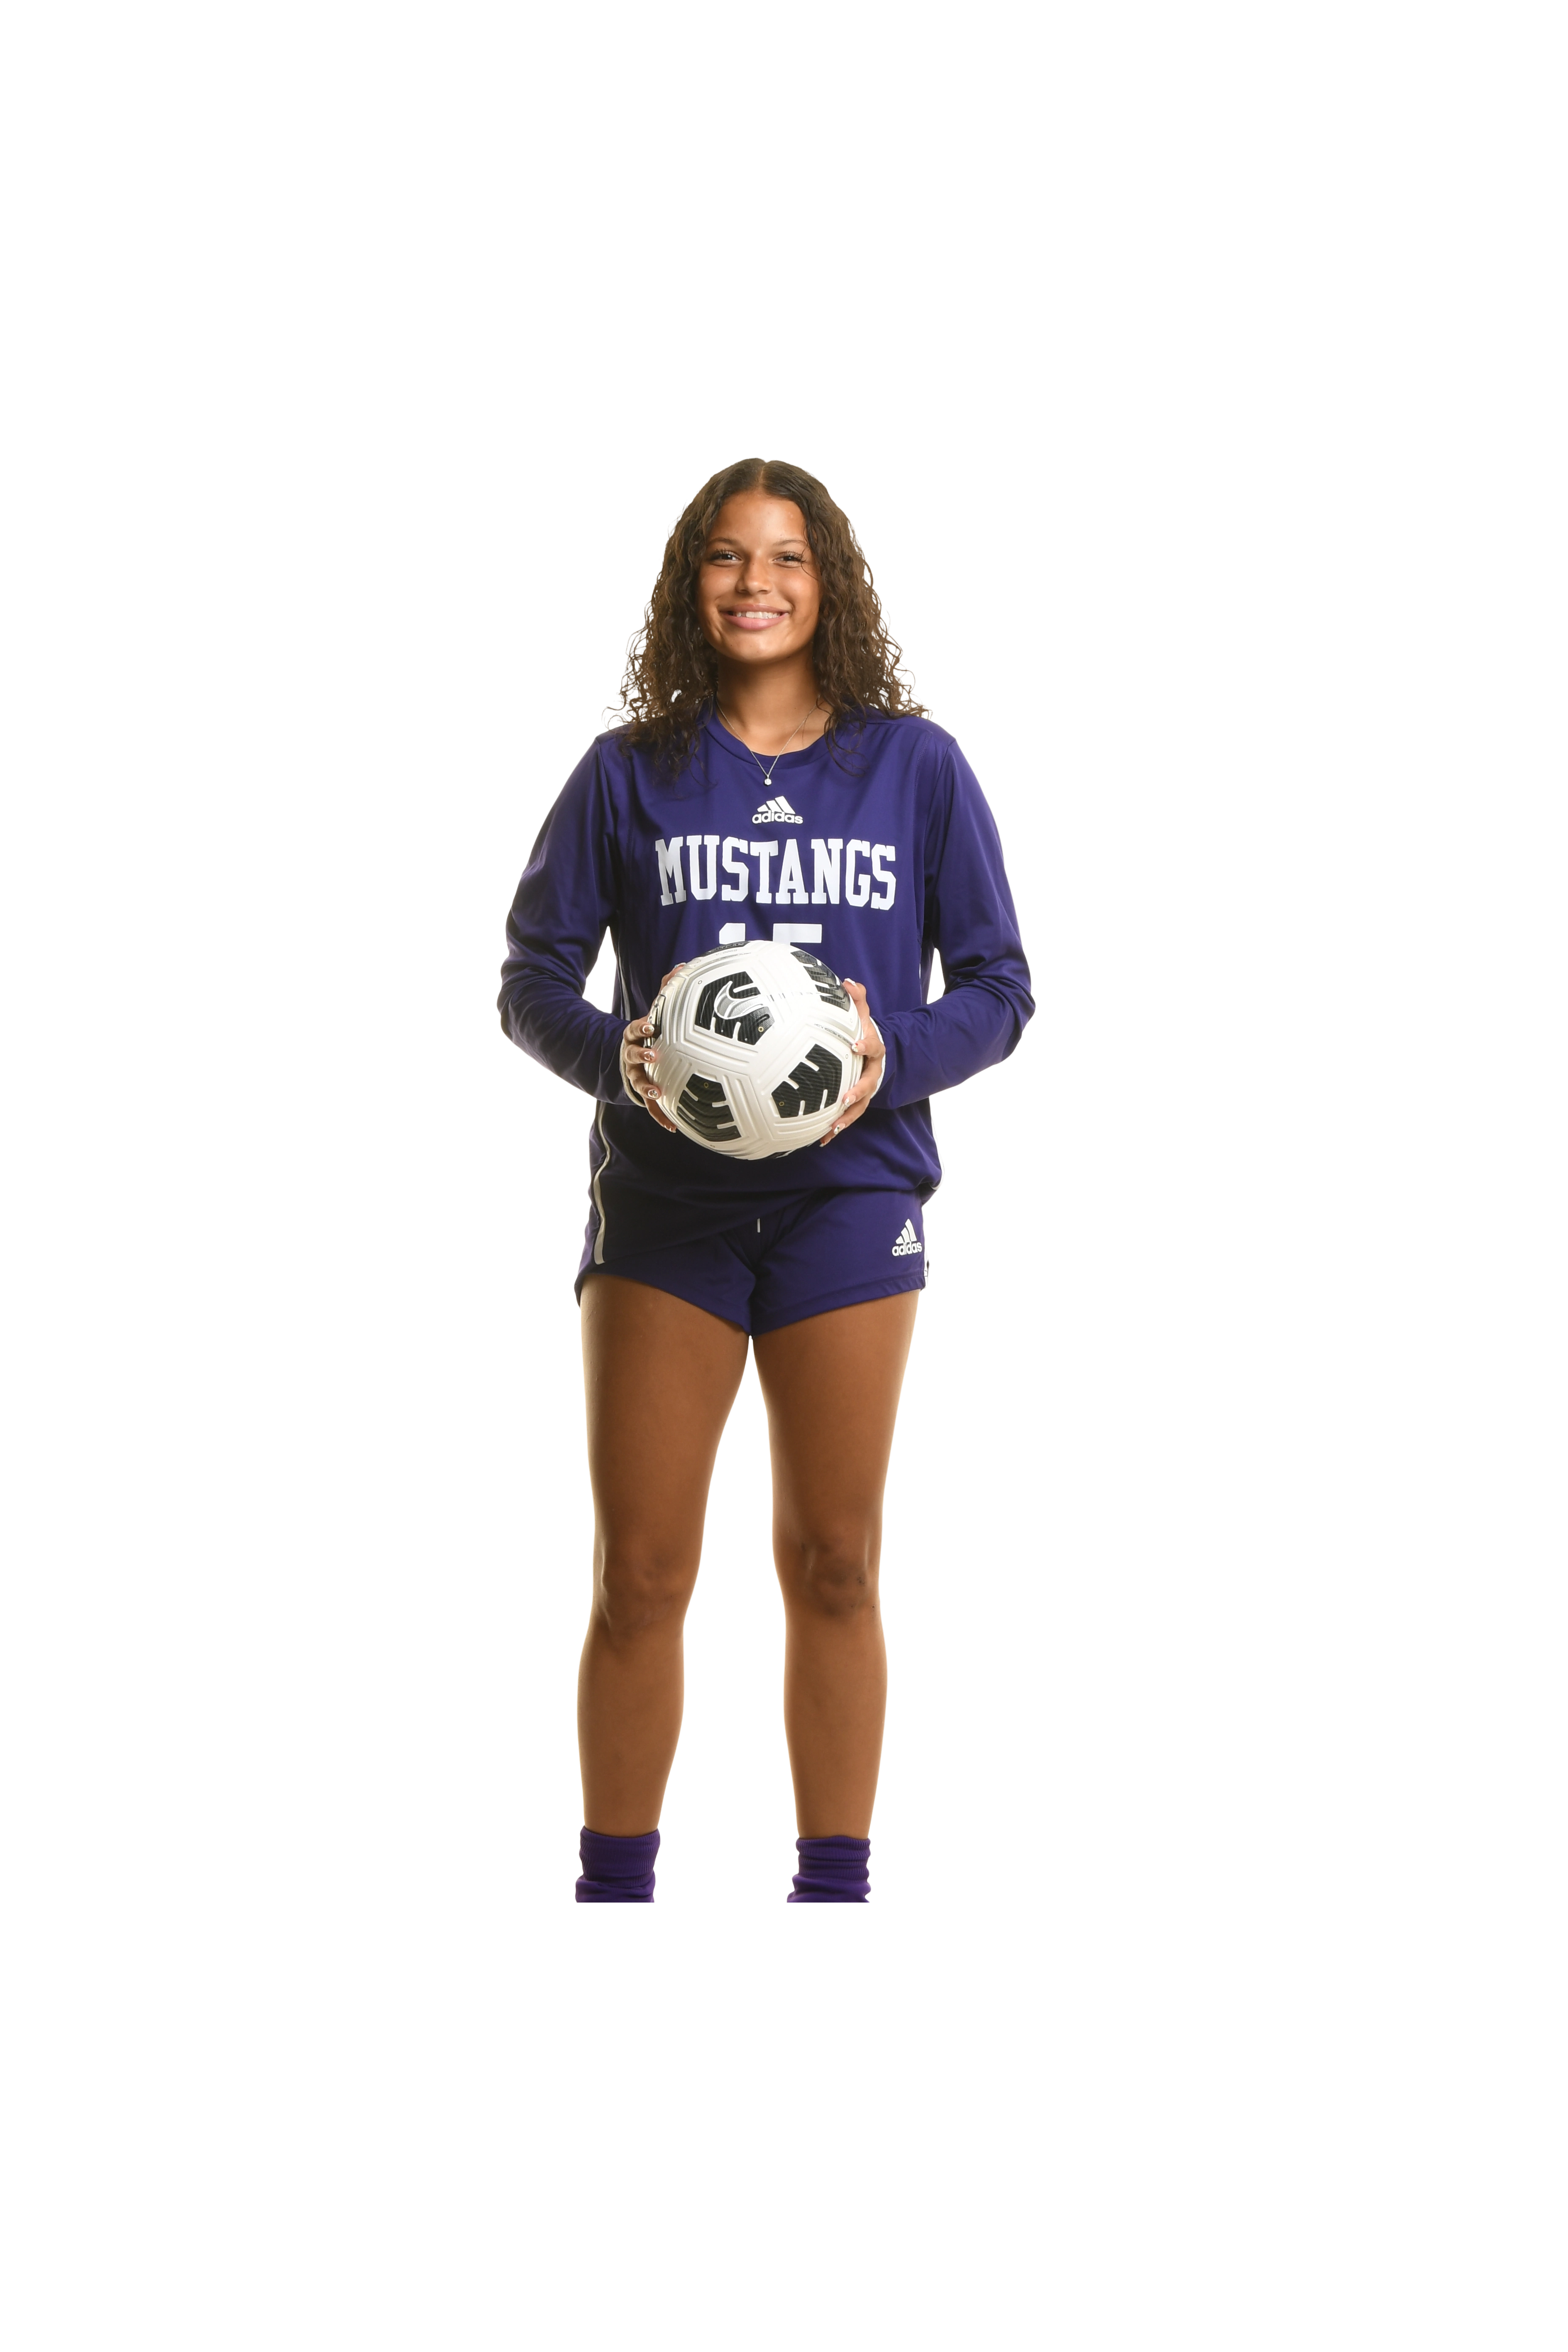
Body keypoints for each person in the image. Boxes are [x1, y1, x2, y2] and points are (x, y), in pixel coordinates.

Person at [498, 457, 1034, 1901]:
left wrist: (890, 1054)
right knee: (641, 1575)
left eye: (789, 557)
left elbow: (1000, 988)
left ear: (831, 582)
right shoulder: (629, 771)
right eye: (728, 556)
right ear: (691, 582)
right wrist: (619, 1060)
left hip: (852, 1199)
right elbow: (532, 977)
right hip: (664, 1208)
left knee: (836, 1561)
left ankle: (832, 1900)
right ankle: (615, 1893)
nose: (757, 583)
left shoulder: (919, 769)